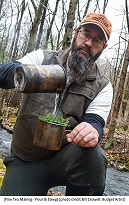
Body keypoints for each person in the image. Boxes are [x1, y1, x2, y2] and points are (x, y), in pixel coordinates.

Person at [0, 13, 113, 196]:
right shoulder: (42, 58)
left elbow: (96, 122)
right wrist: (28, 74)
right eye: (85, 34)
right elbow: (3, 73)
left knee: (94, 157)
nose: (89, 43)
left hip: (65, 160)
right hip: (24, 159)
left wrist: (92, 130)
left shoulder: (103, 85)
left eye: (97, 40)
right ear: (76, 32)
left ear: (103, 47)